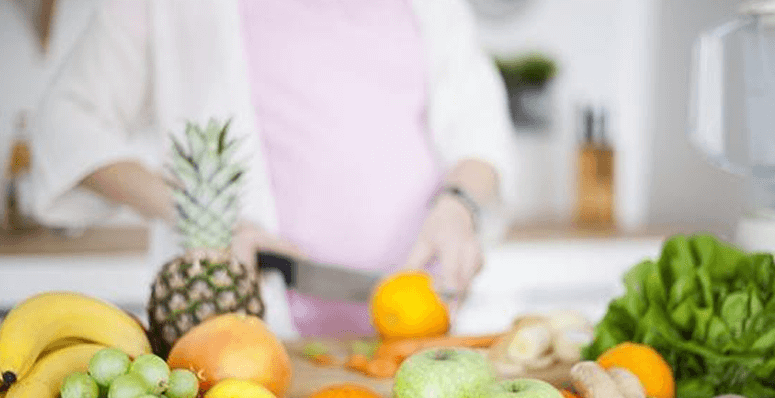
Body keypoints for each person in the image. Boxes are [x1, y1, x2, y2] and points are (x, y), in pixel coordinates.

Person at [29, 0, 516, 338]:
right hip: (243, 328)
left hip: (421, 319)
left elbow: (481, 130)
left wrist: (459, 205)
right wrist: (200, 215)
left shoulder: (434, 7)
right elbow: (66, 121)